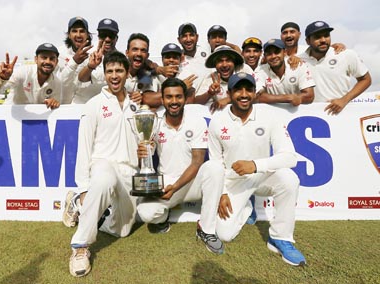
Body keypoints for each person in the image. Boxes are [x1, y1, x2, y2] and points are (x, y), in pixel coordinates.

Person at [208, 72, 306, 266]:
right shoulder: (217, 121)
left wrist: (255, 165)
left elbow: (289, 157)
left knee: (289, 179)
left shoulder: (269, 116)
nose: (244, 94)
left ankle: (281, 238)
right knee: (224, 234)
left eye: (249, 89)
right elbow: (215, 163)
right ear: (229, 92)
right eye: (238, 89)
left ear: (254, 92)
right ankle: (246, 206)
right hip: (233, 181)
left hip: (262, 175)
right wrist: (222, 192)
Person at [68, 51, 140, 277]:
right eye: (110, 71)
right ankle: (80, 247)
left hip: (129, 171)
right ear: (104, 73)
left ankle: (80, 209)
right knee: (103, 178)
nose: (114, 76)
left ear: (127, 73)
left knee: (122, 231)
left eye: (119, 70)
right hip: (103, 165)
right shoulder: (94, 104)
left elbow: (144, 139)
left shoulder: (136, 104)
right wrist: (82, 188)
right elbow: (84, 147)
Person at [136, 77, 225, 254]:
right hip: (166, 182)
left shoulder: (196, 121)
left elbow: (197, 161)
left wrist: (176, 187)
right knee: (146, 212)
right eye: (169, 97)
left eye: (178, 96)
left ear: (185, 98)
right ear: (162, 99)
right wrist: (142, 154)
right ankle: (163, 217)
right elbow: (146, 160)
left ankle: (206, 229)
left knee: (214, 168)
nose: (174, 101)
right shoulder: (154, 123)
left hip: (191, 182)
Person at [299, 21, 372, 115]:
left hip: (340, 114)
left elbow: (366, 79)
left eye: (326, 35)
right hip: (311, 115)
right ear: (308, 41)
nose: (323, 40)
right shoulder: (299, 61)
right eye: (317, 37)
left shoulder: (346, 54)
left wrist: (344, 100)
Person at [0, 43, 62, 109]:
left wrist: (53, 103)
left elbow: (54, 107)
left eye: (52, 58)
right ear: (36, 59)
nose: (48, 62)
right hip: (11, 118)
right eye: (44, 57)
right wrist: (2, 78)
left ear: (56, 62)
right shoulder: (23, 72)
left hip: (35, 120)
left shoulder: (57, 83)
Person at [257, 39, 315, 106]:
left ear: (284, 52)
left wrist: (298, 98)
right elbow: (258, 97)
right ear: (265, 56)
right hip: (273, 113)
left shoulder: (299, 66)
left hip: (297, 113)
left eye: (277, 52)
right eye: (269, 54)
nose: (273, 56)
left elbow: (310, 96)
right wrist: (287, 98)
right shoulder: (260, 70)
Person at [195, 45, 249, 112]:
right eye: (220, 61)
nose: (224, 65)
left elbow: (258, 94)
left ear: (234, 62)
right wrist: (209, 93)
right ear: (215, 64)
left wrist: (229, 99)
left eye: (228, 60)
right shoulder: (211, 78)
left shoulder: (243, 69)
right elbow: (196, 103)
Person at [76, 18, 121, 96]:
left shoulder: (121, 59)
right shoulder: (85, 52)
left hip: (106, 105)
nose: (107, 39)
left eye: (111, 35)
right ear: (99, 36)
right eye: (103, 35)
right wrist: (90, 66)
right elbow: (80, 80)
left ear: (116, 38)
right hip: (84, 102)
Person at [58, 16, 95, 104]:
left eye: (82, 31)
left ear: (87, 35)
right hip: (62, 107)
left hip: (85, 106)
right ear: (69, 35)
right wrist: (74, 61)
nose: (78, 35)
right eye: (74, 31)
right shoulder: (59, 53)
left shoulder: (95, 54)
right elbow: (57, 82)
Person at [280, 21, 346, 58]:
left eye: (292, 32)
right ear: (281, 36)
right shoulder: (275, 55)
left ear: (299, 34)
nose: (288, 35)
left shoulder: (306, 51)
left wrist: (335, 46)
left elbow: (321, 48)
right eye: (285, 33)